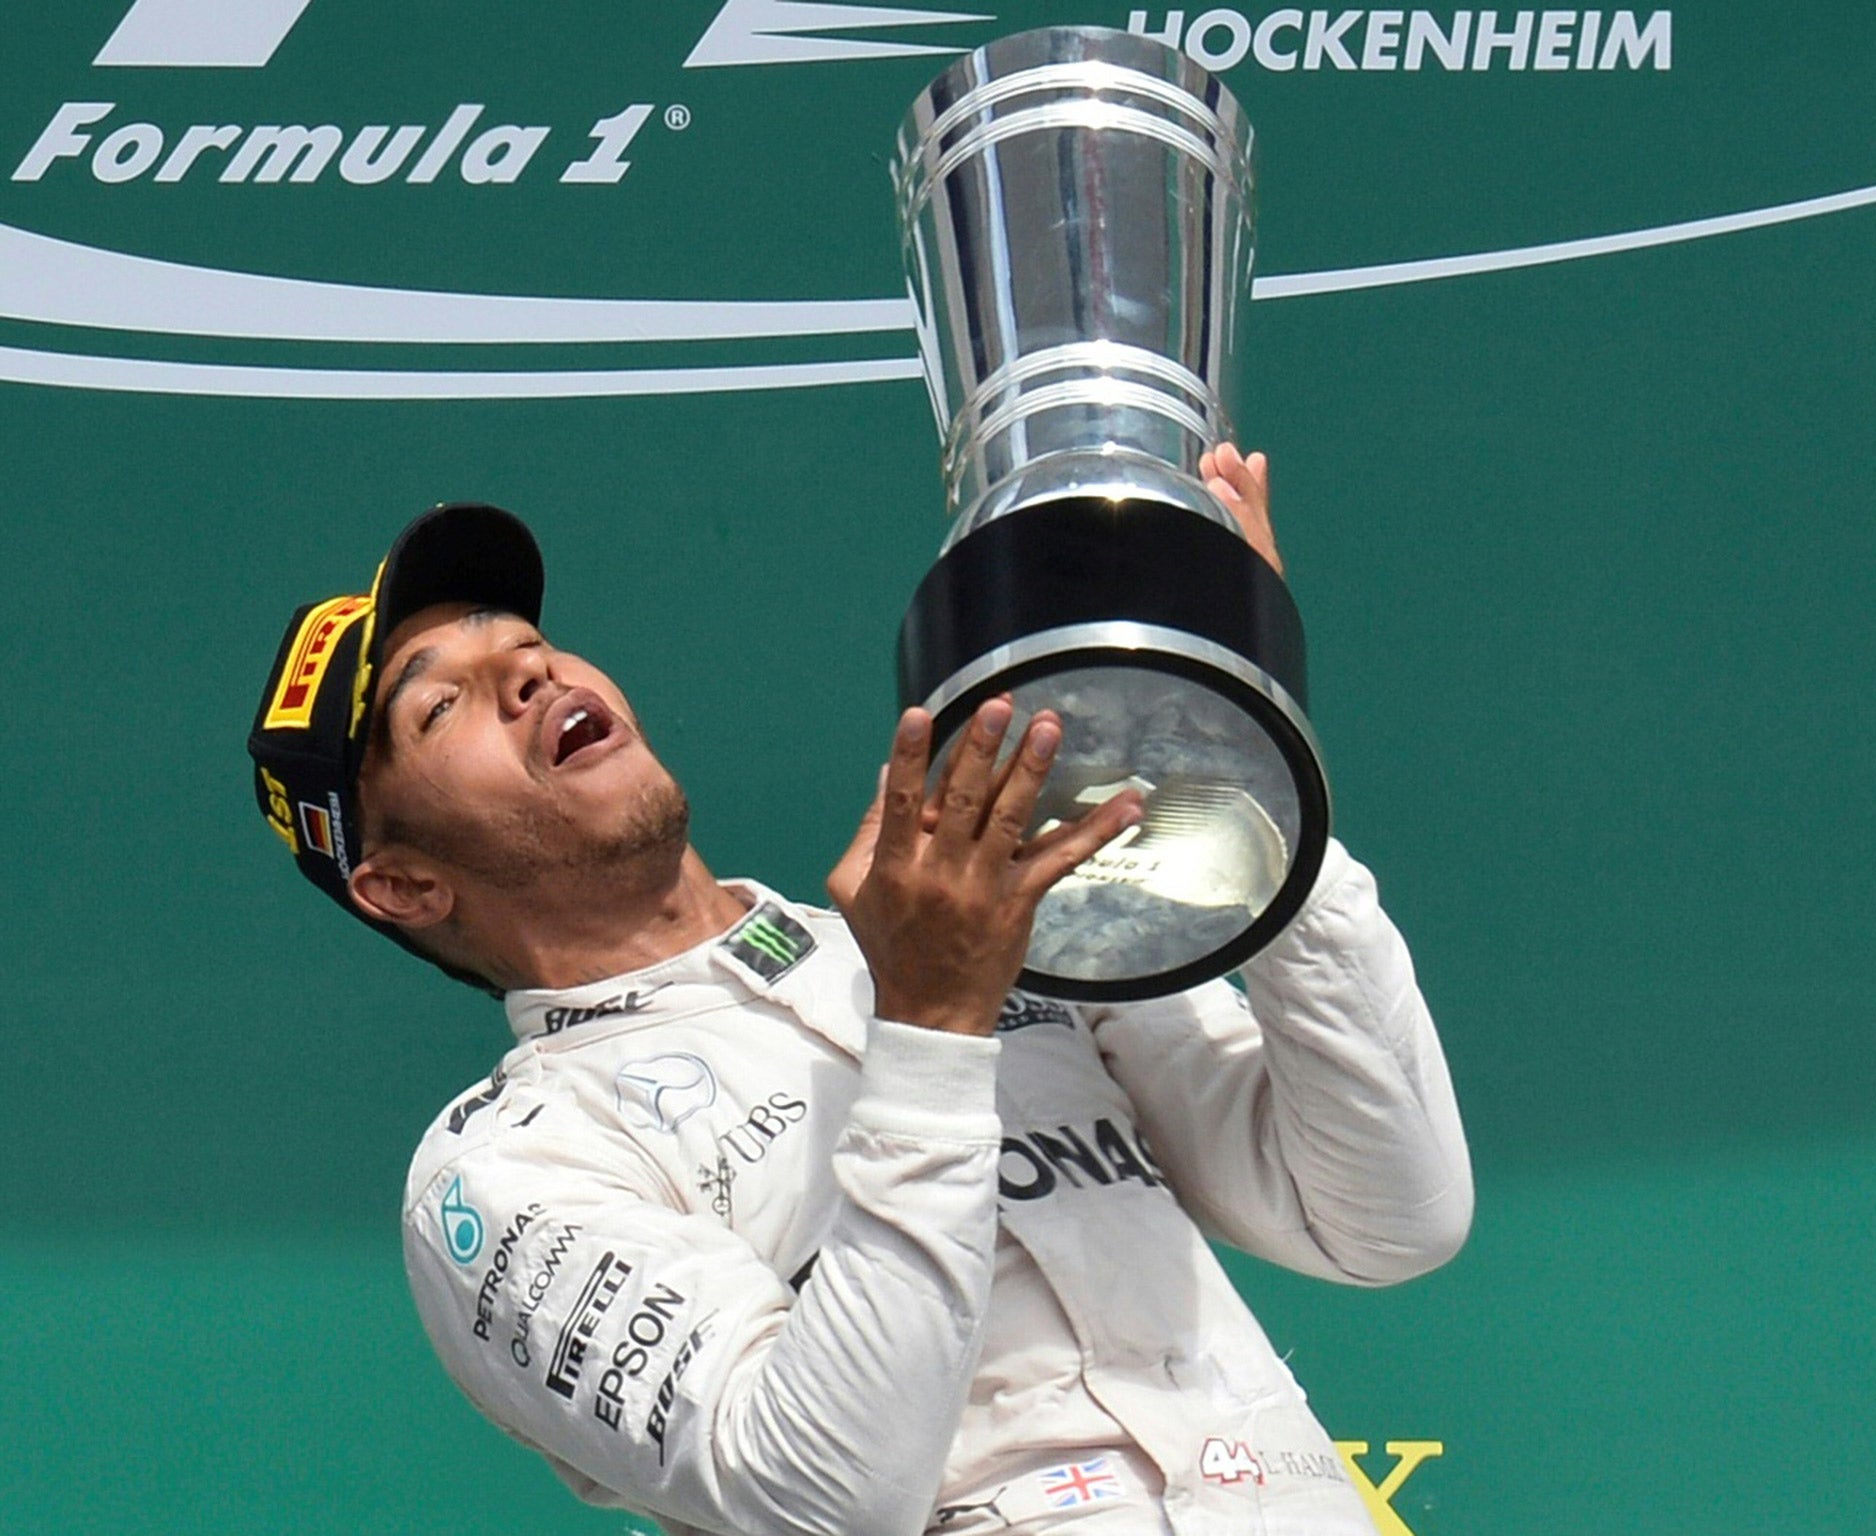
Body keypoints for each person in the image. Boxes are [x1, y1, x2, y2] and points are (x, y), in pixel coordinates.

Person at [245, 446, 1472, 1536]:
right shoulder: (508, 1169)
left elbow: (1381, 1217)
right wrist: (929, 1027)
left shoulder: (971, 912)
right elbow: (822, 1498)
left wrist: (1232, 732)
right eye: (440, 700)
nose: (523, 672)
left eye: (524, 645)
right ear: (400, 886)